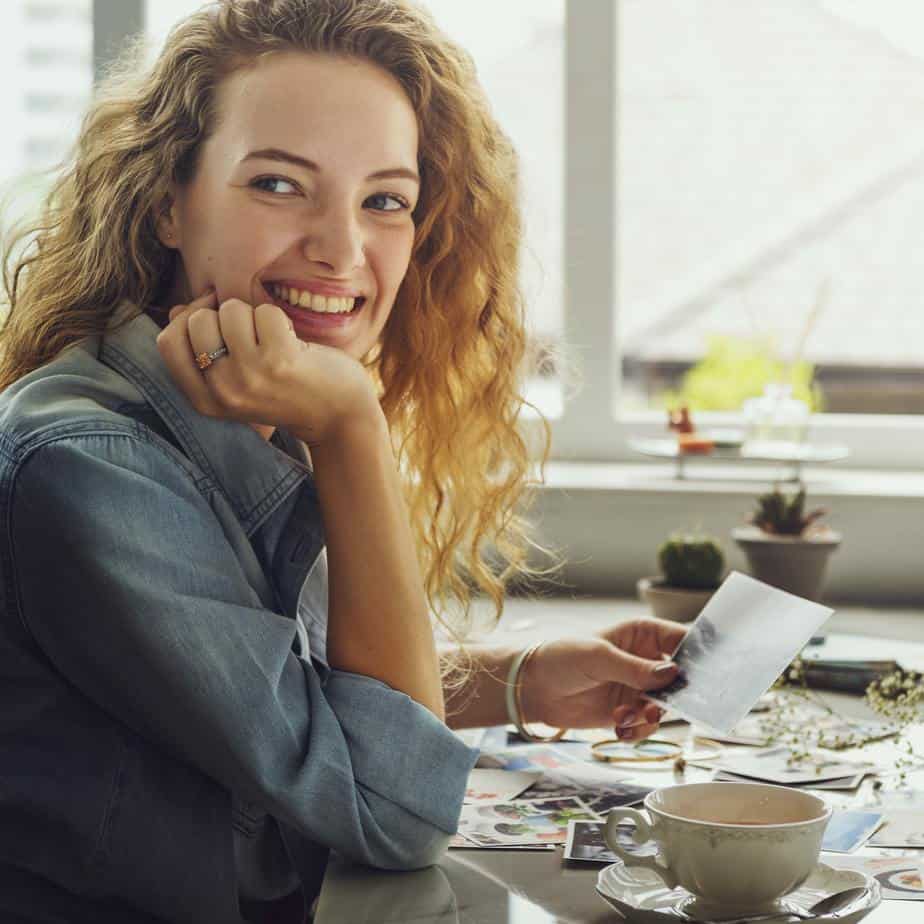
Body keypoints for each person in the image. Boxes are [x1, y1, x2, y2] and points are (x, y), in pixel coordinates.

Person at [0, 1, 684, 921]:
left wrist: (519, 679)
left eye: (384, 200)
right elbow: (396, 814)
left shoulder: (247, 411)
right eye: (279, 184)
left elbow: (288, 697)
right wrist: (353, 430)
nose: (342, 249)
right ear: (169, 201)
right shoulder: (90, 466)